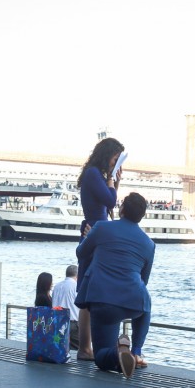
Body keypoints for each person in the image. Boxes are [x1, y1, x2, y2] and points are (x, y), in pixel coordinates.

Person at [75, 192, 155, 379]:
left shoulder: (102, 228)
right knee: (146, 305)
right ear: (142, 216)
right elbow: (144, 280)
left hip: (103, 299)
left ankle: (118, 353)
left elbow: (81, 254)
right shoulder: (149, 244)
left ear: (122, 209)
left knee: (102, 357)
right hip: (134, 299)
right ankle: (136, 352)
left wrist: (88, 238)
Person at [75, 137, 126, 361]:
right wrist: (113, 182)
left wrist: (114, 180)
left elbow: (108, 203)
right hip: (94, 234)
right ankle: (85, 348)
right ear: (107, 156)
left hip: (95, 231)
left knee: (90, 292)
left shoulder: (93, 174)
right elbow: (110, 200)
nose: (115, 164)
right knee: (87, 293)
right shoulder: (94, 174)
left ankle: (88, 347)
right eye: (115, 159)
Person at [51, 264, 80, 351]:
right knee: (76, 349)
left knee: (60, 348)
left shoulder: (57, 286)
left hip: (58, 322)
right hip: (73, 323)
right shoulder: (76, 286)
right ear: (77, 275)